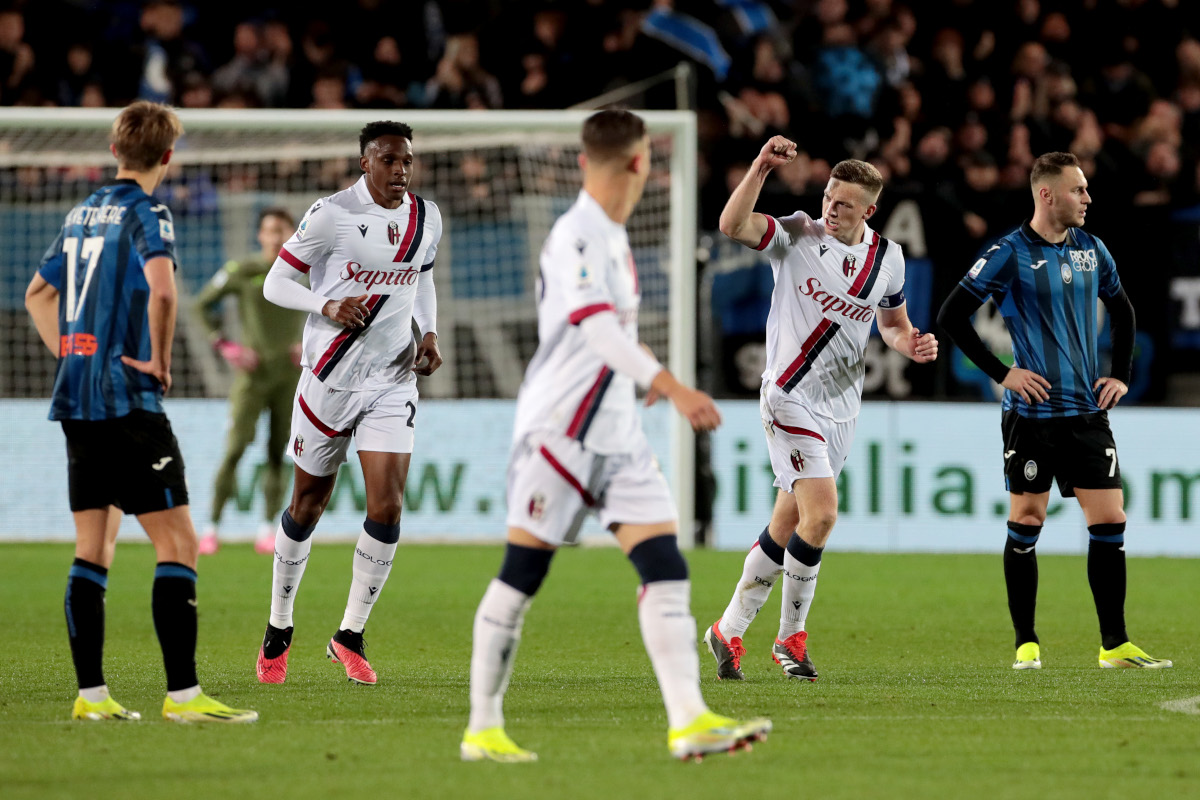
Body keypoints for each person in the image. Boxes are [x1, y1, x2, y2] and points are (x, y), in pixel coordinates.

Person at [461, 110, 771, 764]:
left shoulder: (611, 235)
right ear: (642, 164)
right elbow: (597, 332)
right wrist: (673, 383)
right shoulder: (577, 235)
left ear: (583, 160)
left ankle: (688, 719)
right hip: (560, 433)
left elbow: (612, 335)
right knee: (524, 572)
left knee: (665, 565)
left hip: (619, 433)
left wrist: (645, 369)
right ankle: (482, 727)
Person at [23, 101, 257, 723]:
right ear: (169, 157)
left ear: (113, 149)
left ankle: (91, 697)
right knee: (178, 541)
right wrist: (158, 358)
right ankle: (183, 696)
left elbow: (36, 294)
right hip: (128, 400)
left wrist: (74, 355)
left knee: (93, 545)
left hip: (77, 398)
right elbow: (163, 287)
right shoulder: (148, 212)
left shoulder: (80, 212)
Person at [707, 137, 938, 682]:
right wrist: (760, 169)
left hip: (841, 408)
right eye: (829, 198)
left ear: (869, 211)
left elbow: (893, 326)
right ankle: (790, 639)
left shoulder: (889, 260)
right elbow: (732, 225)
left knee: (789, 523)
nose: (831, 209)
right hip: (787, 395)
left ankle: (728, 629)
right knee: (824, 514)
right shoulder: (796, 235)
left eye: (844, 204)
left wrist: (911, 344)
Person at [936, 151, 1172, 671]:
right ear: (1047, 194)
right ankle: (1026, 641)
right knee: (1028, 518)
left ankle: (1114, 644)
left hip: (1087, 411)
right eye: (1078, 190)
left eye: (1086, 189)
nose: (1087, 198)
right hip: (1032, 415)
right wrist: (1004, 373)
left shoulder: (1093, 249)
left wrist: (1122, 375)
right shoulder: (1008, 251)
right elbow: (951, 314)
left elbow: (1124, 309)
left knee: (1110, 519)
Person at [255, 121, 443, 686]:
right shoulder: (330, 215)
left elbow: (422, 278)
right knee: (307, 505)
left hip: (391, 381)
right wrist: (326, 304)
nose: (400, 171)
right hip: (329, 380)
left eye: (406, 161)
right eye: (388, 161)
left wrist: (428, 333)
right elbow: (275, 283)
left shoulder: (425, 217)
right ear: (366, 163)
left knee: (387, 506)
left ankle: (349, 635)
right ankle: (279, 627)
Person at [194, 208, 305, 556]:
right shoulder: (243, 270)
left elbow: (332, 311)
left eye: (282, 230)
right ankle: (211, 527)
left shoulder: (308, 273)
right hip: (252, 376)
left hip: (289, 376)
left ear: (293, 234)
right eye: (270, 230)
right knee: (236, 448)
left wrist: (310, 343)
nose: (276, 237)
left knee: (278, 452)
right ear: (260, 235)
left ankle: (268, 529)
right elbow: (200, 305)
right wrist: (224, 344)